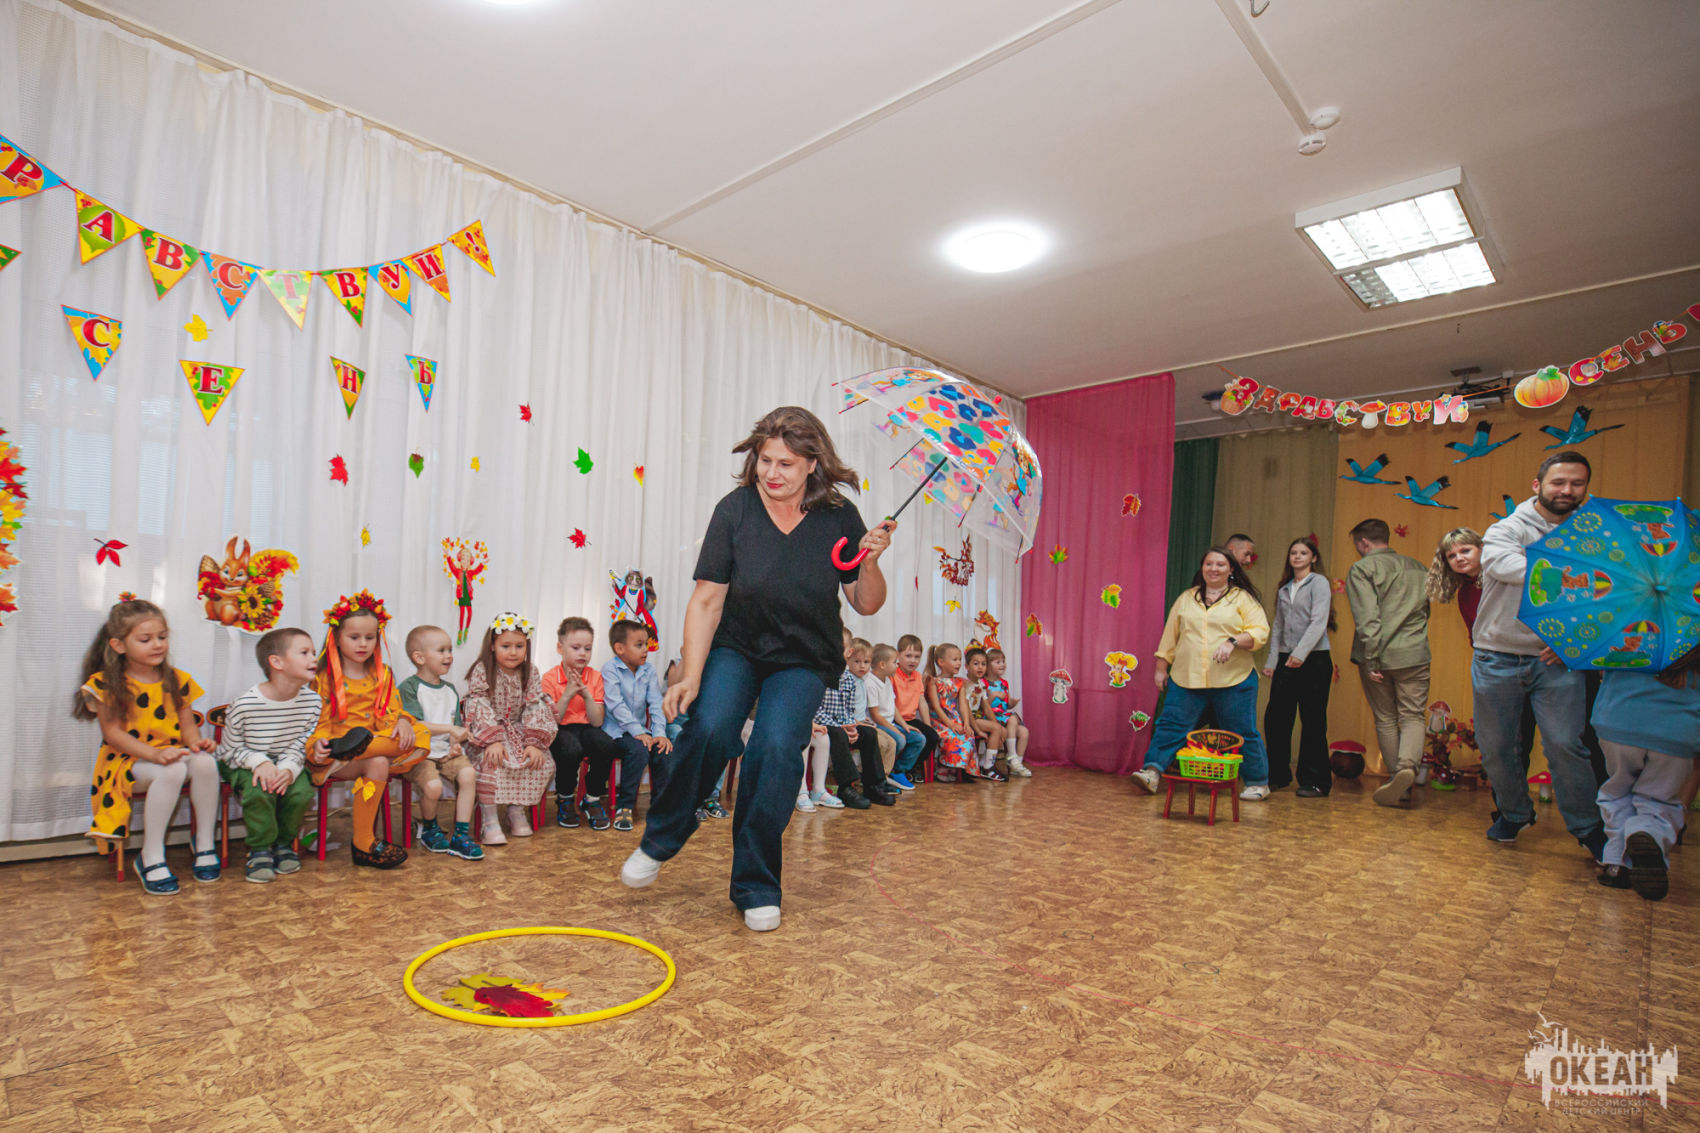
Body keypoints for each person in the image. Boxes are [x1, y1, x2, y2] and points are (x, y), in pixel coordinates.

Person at [621, 405, 893, 933]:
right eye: (765, 460)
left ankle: (756, 884)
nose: (772, 472)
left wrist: (871, 561)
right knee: (711, 727)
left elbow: (865, 603)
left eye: (786, 463)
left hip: (803, 658)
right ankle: (662, 838)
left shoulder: (839, 516)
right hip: (738, 648)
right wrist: (691, 675)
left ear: (813, 463)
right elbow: (706, 600)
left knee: (775, 748)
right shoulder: (736, 509)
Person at [1473, 451, 1606, 858]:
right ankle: (1514, 813)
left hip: (1557, 660)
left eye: (1577, 484)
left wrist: (1571, 641)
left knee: (1567, 745)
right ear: (1538, 486)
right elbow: (1504, 566)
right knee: (1497, 749)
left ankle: (1589, 829)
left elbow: (1605, 598)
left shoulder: (1592, 536)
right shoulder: (1507, 528)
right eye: (1558, 482)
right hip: (1497, 656)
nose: (1567, 490)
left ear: (1585, 489)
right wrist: (1579, 572)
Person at [73, 598, 219, 894]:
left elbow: (187, 726)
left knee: (205, 762)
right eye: (146, 639)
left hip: (170, 753)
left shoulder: (177, 680)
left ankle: (204, 843)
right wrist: (154, 754)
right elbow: (113, 735)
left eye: (162, 637)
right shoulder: (105, 684)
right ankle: (150, 855)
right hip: (126, 762)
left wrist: (196, 743)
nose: (157, 645)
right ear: (119, 645)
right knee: (172, 771)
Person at [1133, 547, 1271, 799]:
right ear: (1202, 567)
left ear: (1231, 569)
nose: (1214, 569)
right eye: (1209, 564)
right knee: (1170, 726)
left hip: (1234, 679)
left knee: (1242, 731)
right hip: (1187, 678)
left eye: (1220, 564)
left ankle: (1257, 783)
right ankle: (1152, 772)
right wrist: (1161, 668)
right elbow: (1170, 636)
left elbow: (1260, 632)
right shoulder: (1187, 598)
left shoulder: (1242, 599)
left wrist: (1233, 641)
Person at [306, 589, 426, 869]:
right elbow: (318, 723)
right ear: (336, 637)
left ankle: (363, 843)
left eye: (369, 637)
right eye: (354, 637)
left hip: (372, 745)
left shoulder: (383, 674)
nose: (363, 644)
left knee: (416, 737)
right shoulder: (323, 678)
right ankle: (345, 747)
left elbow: (392, 712)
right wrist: (320, 746)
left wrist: (402, 721)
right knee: (379, 759)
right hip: (335, 757)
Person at [1427, 528, 1536, 784]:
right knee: (1502, 742)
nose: (1459, 558)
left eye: (1466, 550)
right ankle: (1507, 801)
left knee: (1527, 738)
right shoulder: (1464, 592)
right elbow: (1475, 637)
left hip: (1530, 661)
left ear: (1482, 549)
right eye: (1452, 555)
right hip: (1495, 669)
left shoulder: (1504, 579)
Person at [1591, 645, 1699, 900]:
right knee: (1659, 799)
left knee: (1617, 794)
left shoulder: (1619, 625)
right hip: (1677, 733)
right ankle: (1649, 833)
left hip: (1618, 722)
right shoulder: (1692, 629)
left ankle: (1616, 865)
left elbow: (1600, 665)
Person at [216, 627, 322, 882]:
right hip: (241, 761)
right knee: (259, 789)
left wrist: (288, 769)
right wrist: (260, 763)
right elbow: (229, 750)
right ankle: (260, 849)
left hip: (286, 760)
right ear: (276, 662)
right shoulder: (245, 704)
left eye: (313, 652)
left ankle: (283, 844)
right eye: (304, 653)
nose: (314, 658)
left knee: (300, 792)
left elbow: (302, 742)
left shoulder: (313, 702)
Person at [1345, 519, 1432, 807]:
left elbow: (1368, 620)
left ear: (1364, 543)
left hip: (1379, 655)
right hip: (1415, 654)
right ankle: (1407, 767)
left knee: (1386, 717)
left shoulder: (1362, 568)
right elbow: (1425, 611)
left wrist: (1372, 660)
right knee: (1413, 716)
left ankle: (1398, 778)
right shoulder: (1418, 567)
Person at [464, 613, 557, 844]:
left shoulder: (530, 671)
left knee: (540, 761)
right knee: (492, 760)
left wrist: (534, 743)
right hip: (488, 733)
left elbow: (534, 705)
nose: (513, 652)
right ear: (492, 646)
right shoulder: (482, 669)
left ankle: (516, 810)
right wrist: (492, 740)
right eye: (506, 646)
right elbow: (479, 704)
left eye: (519, 646)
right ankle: (489, 819)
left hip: (521, 730)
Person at [398, 625, 481, 860]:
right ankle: (430, 829)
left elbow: (454, 724)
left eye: (450, 650)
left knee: (468, 775)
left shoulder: (450, 690)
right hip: (419, 753)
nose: (449, 656)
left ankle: (461, 835)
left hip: (445, 752)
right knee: (433, 787)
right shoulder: (409, 688)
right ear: (419, 658)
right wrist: (449, 730)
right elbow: (415, 725)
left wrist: (455, 742)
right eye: (441, 650)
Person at [1261, 537, 1334, 797]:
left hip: (1315, 659)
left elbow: (1319, 622)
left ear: (1313, 557)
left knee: (1313, 720)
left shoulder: (1319, 583)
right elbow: (1278, 627)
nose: (1297, 556)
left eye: (1303, 552)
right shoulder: (1284, 589)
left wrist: (1301, 654)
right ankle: (1277, 775)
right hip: (1286, 659)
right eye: (1294, 552)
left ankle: (1315, 781)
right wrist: (1273, 661)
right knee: (1275, 718)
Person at [543, 617, 621, 831]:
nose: (582, 653)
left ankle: (592, 798)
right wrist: (568, 693)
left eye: (587, 648)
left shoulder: (595, 677)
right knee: (570, 749)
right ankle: (565, 797)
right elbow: (552, 720)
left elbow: (597, 721)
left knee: (606, 745)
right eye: (576, 648)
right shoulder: (549, 678)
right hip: (559, 728)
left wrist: (586, 694)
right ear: (560, 648)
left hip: (587, 727)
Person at [601, 618, 672, 832]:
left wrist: (659, 733)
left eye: (646, 644)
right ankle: (625, 807)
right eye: (639, 645)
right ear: (620, 648)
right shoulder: (610, 669)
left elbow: (656, 704)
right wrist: (638, 732)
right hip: (615, 733)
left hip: (642, 733)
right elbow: (616, 705)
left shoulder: (648, 670)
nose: (645, 649)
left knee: (663, 749)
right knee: (639, 750)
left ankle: (660, 807)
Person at [814, 629, 894, 808]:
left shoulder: (848, 678)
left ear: (848, 651)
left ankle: (873, 785)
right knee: (838, 734)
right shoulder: (819, 673)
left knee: (869, 733)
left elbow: (848, 709)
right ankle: (845, 787)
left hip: (841, 723)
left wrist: (850, 725)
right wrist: (841, 727)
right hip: (821, 724)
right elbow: (814, 709)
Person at [927, 643, 999, 781]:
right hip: (939, 720)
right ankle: (943, 767)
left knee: (967, 736)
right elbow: (936, 707)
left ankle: (959, 770)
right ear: (941, 662)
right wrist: (950, 724)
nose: (959, 663)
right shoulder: (934, 681)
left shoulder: (960, 682)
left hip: (955, 718)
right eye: (955, 660)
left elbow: (963, 706)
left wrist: (966, 723)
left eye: (960, 659)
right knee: (951, 736)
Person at [867, 643, 924, 790]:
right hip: (877, 724)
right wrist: (895, 730)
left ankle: (897, 771)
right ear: (882, 665)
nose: (896, 665)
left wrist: (905, 726)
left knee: (919, 739)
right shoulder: (870, 683)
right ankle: (880, 773)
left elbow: (893, 707)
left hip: (889, 723)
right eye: (894, 662)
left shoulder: (886, 680)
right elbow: (875, 715)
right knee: (898, 740)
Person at [892, 634, 939, 782]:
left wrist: (927, 724)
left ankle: (913, 767)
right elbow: (889, 703)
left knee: (932, 736)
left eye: (917, 657)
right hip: (895, 719)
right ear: (898, 655)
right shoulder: (892, 674)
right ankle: (899, 769)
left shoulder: (918, 676)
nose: (913, 660)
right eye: (908, 656)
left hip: (910, 719)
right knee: (915, 739)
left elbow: (922, 701)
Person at [983, 648, 1031, 778]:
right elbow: (984, 705)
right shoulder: (983, 683)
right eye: (997, 662)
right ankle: (1012, 755)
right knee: (1013, 719)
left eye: (1003, 661)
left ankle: (1016, 764)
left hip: (1003, 716)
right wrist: (993, 696)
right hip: (991, 717)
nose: (1002, 664)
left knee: (1024, 732)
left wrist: (1012, 703)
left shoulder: (1004, 683)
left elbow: (1006, 705)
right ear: (988, 665)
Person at [962, 646, 1007, 776]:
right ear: (967, 666)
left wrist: (997, 725)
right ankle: (988, 767)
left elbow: (987, 707)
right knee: (996, 729)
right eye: (976, 664)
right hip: (967, 719)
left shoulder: (981, 684)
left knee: (1002, 730)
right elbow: (967, 710)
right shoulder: (966, 685)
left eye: (983, 664)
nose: (980, 667)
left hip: (977, 718)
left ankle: (983, 763)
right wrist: (978, 730)